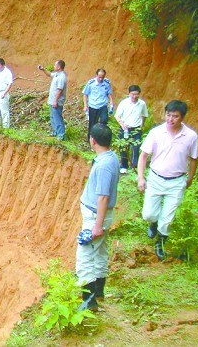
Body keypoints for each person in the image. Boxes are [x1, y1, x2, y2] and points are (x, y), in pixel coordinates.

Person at [137, 100, 198, 260]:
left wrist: (190, 178)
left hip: (177, 181)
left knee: (168, 218)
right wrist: (141, 178)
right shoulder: (156, 133)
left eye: (175, 116)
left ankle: (160, 242)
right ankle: (153, 223)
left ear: (182, 117)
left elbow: (193, 159)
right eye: (168, 115)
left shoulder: (190, 136)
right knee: (149, 214)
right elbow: (143, 156)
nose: (171, 119)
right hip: (156, 178)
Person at [76, 123, 119, 311]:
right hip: (99, 216)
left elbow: (103, 197)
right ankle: (99, 291)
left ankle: (88, 300)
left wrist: (97, 226)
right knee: (100, 253)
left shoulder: (104, 166)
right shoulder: (111, 157)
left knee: (85, 256)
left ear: (92, 140)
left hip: (95, 217)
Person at [114, 85, 149, 173]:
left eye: (136, 94)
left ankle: (133, 167)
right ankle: (124, 166)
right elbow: (117, 116)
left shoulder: (142, 104)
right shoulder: (124, 103)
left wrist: (141, 126)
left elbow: (144, 115)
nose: (134, 96)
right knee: (123, 147)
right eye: (132, 94)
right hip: (125, 128)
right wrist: (122, 124)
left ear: (139, 94)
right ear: (129, 94)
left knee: (136, 148)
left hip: (136, 129)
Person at [38, 60, 67, 140]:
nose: (54, 66)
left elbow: (59, 90)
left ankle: (61, 134)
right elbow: (50, 74)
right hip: (52, 100)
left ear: (59, 67)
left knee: (57, 117)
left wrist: (55, 101)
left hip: (56, 101)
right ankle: (55, 132)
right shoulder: (57, 74)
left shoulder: (62, 77)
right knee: (53, 117)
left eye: (55, 65)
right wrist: (43, 69)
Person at [83, 69, 114, 139]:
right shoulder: (91, 83)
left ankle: (100, 138)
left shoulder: (106, 83)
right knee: (92, 124)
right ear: (96, 75)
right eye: (99, 77)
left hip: (103, 106)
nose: (101, 79)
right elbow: (85, 94)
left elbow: (109, 93)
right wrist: (85, 105)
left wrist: (111, 101)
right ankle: (91, 139)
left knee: (104, 121)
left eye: (102, 77)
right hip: (93, 106)